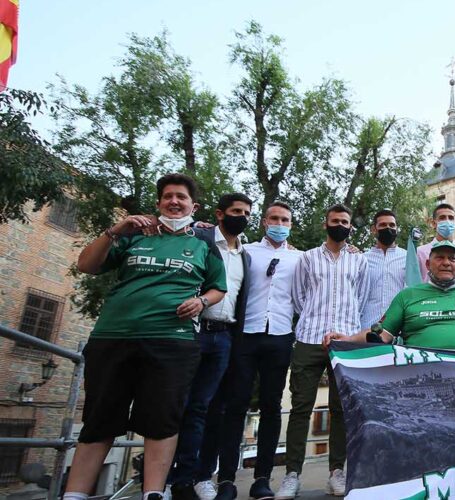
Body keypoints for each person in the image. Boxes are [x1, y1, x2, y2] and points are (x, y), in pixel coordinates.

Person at [65, 173, 227, 500]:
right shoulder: (131, 236)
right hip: (113, 335)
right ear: (158, 203)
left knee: (163, 419)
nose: (174, 202)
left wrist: (200, 301)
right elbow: (86, 265)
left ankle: (153, 492)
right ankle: (74, 495)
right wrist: (115, 231)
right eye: (168, 196)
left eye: (181, 197)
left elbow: (218, 288)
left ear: (192, 205)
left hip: (172, 340)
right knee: (99, 418)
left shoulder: (203, 243)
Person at [209, 201, 303, 500]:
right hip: (246, 335)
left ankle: (262, 479)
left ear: (291, 224)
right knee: (235, 406)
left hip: (280, 336)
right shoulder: (246, 251)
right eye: (274, 218)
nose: (280, 223)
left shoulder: (300, 258)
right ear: (264, 222)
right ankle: (226, 480)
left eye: (285, 219)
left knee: (272, 407)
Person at [168, 193, 254, 500]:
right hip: (192, 332)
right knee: (178, 404)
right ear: (220, 214)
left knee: (208, 408)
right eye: (235, 211)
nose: (241, 217)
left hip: (225, 337)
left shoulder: (246, 255)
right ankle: (170, 478)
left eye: (246, 213)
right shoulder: (199, 237)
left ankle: (201, 475)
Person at [282, 204, 371, 498]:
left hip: (345, 342)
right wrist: (316, 321)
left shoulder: (359, 262)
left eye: (345, 221)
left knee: (341, 410)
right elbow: (298, 297)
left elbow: (362, 298)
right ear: (325, 224)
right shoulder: (307, 258)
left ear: (350, 227)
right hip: (309, 338)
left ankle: (337, 472)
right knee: (300, 408)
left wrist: (345, 330)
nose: (340, 225)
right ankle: (292, 475)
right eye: (335, 221)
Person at [329, 239, 455, 349]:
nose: (446, 263)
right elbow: (382, 333)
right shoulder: (407, 295)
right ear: (428, 264)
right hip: (421, 374)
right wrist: (348, 339)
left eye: (452, 259)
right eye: (440, 257)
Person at [360, 209, 407, 330]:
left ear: (397, 229)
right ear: (373, 229)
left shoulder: (408, 258)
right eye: (383, 225)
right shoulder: (362, 259)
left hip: (399, 329)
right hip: (366, 327)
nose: (388, 228)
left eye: (392, 225)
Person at [416, 203, 455, 282]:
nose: (447, 221)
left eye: (451, 218)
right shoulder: (420, 252)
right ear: (434, 223)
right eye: (442, 218)